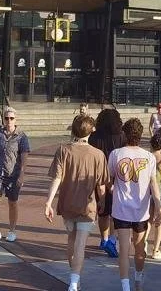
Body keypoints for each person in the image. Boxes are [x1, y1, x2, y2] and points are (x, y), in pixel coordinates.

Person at [45, 114, 109, 291]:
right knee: (80, 243)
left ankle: (74, 278)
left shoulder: (63, 150)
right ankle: (74, 280)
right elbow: (101, 185)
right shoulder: (98, 155)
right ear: (91, 132)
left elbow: (56, 178)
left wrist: (48, 202)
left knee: (71, 240)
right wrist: (102, 200)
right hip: (87, 205)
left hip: (67, 202)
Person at [108, 118, 161, 291]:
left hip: (121, 208)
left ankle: (125, 286)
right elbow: (154, 184)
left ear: (124, 133)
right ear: (141, 135)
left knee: (124, 249)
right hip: (141, 211)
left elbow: (109, 179)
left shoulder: (115, 154)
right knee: (140, 248)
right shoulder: (149, 157)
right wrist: (159, 206)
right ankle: (138, 276)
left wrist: (110, 189)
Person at [0, 106, 30, 243]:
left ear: (16, 119)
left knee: (13, 203)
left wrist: (22, 174)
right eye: (6, 118)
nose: (9, 120)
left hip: (13, 174)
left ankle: (12, 230)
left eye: (11, 118)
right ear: (3, 119)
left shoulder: (22, 137)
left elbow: (24, 157)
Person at [89, 107, 126, 257]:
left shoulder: (94, 137)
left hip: (100, 177)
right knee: (115, 212)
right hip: (117, 177)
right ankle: (112, 239)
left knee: (102, 211)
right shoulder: (122, 136)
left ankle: (103, 239)